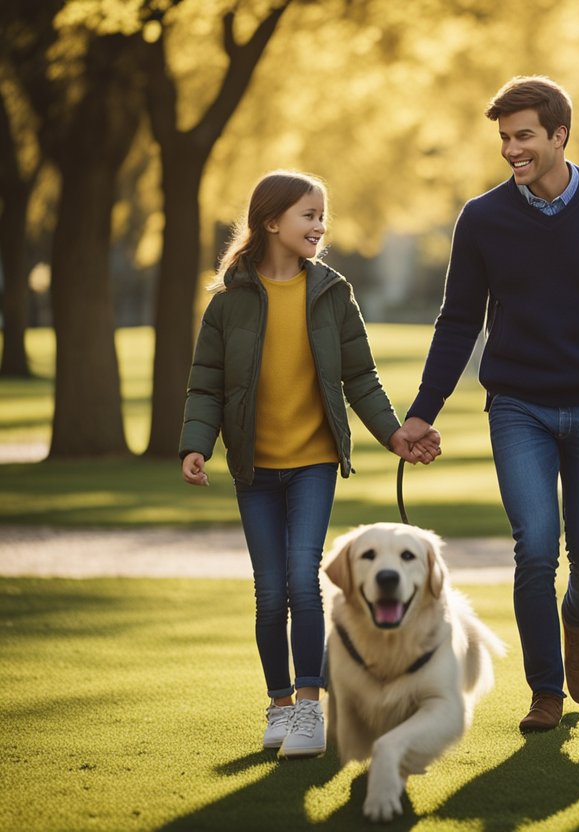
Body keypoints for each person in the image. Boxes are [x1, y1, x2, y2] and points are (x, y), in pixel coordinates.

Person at [398, 76, 579, 733]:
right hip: (518, 404)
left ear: (560, 135)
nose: (511, 149)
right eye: (504, 138)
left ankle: (577, 618)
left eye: (524, 135)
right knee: (535, 546)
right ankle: (544, 692)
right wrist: (424, 408)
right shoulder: (482, 219)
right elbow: (457, 322)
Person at [178, 170, 439, 758]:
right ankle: (278, 705)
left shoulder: (332, 292)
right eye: (308, 215)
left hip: (314, 462)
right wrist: (195, 443)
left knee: (303, 580)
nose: (320, 225)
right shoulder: (228, 303)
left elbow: (360, 377)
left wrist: (394, 433)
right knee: (269, 592)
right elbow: (206, 385)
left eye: (323, 215)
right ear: (271, 222)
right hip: (254, 468)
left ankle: (310, 710)